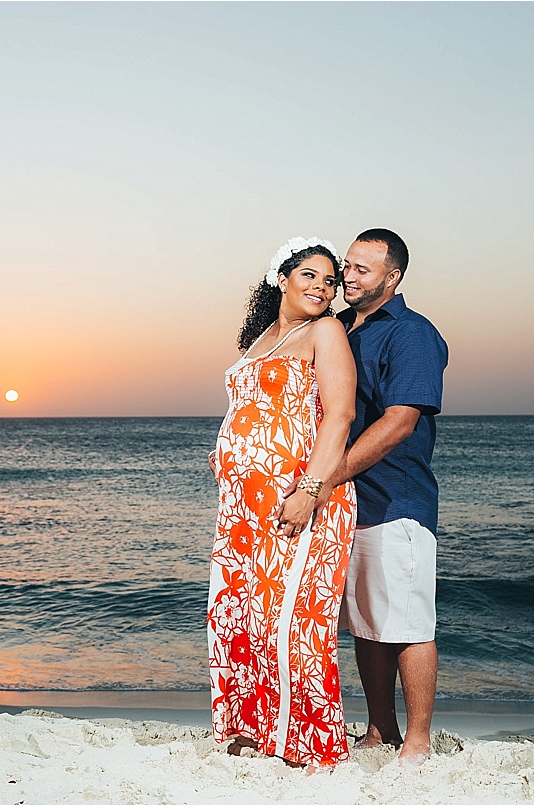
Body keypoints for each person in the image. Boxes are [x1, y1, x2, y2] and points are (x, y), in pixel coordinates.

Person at [280, 228, 448, 765]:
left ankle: (418, 739)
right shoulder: (340, 332)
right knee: (367, 621)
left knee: (408, 624)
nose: (347, 277)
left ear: (391, 277)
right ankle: (381, 729)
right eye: (345, 267)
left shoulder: (411, 333)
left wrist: (324, 479)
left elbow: (400, 421)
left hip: (396, 498)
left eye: (360, 270)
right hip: (346, 503)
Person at [207, 236, 359, 768]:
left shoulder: (326, 331)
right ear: (281, 278)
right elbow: (252, 409)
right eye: (309, 276)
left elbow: (339, 417)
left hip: (300, 498)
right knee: (241, 616)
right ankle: (254, 728)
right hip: (242, 508)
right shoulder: (261, 339)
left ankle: (308, 743)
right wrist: (225, 451)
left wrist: (309, 492)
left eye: (329, 281)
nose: (321, 288)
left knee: (295, 618)